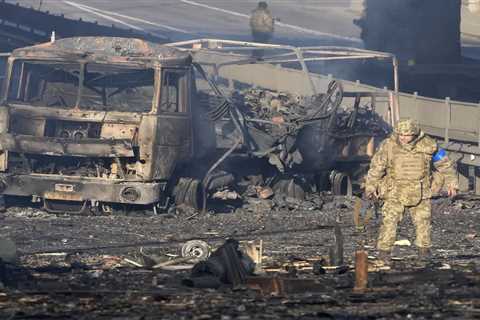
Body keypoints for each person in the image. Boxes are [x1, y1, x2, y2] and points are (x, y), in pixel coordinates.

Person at [365, 119, 458, 264]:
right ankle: (383, 254)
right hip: (394, 191)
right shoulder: (388, 146)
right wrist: (370, 186)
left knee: (423, 223)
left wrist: (452, 183)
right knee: (389, 223)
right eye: (401, 134)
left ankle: (424, 254)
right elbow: (376, 168)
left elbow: (445, 165)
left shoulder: (429, 145)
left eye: (407, 135)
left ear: (415, 134)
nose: (403, 137)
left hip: (420, 191)